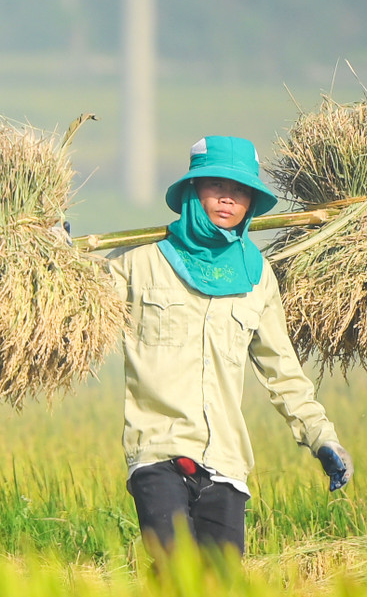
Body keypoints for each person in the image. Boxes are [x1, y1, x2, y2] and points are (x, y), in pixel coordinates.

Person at [105, 136, 353, 560]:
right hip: (157, 451)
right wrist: (53, 254)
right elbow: (74, 308)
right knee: (176, 574)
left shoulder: (257, 277)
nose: (227, 198)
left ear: (251, 203)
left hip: (227, 464)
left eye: (239, 190)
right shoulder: (138, 262)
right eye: (214, 185)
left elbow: (283, 372)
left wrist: (322, 438)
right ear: (191, 191)